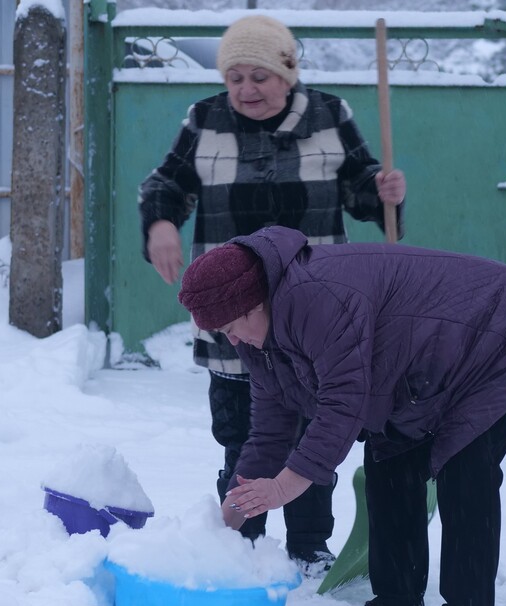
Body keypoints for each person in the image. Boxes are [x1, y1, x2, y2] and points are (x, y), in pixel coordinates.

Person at [176, 226, 506, 606]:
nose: (232, 340)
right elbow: (268, 432)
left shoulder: (318, 298)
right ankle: (397, 605)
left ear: (251, 303)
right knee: (388, 458)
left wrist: (283, 488)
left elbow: (342, 404)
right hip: (416, 368)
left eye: (229, 327)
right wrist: (225, 520)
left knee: (464, 467)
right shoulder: (257, 341)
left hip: (499, 329)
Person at [138, 14, 407, 576]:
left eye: (258, 76)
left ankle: (309, 545)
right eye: (234, 77)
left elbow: (363, 193)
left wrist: (382, 189)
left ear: (288, 73)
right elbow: (167, 183)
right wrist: (161, 222)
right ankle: (242, 542)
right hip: (235, 321)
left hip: (317, 318)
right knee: (242, 432)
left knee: (313, 432)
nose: (245, 90)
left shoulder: (330, 116)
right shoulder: (205, 118)